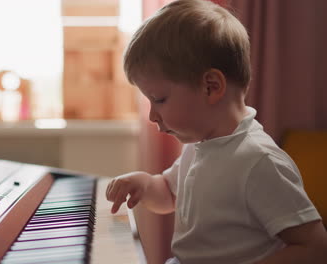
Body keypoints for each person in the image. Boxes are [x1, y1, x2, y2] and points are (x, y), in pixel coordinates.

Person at [105, 0, 327, 263]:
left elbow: (314, 247)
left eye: (159, 99)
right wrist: (143, 184)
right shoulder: (200, 147)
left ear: (211, 86)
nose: (153, 116)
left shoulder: (259, 162)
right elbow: (167, 193)